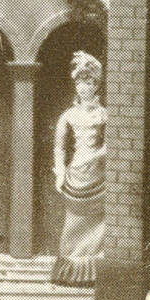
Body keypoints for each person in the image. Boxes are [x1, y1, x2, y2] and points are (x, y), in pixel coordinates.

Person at [51, 51, 106, 286]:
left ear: (97, 86)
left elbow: (110, 145)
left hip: (98, 174)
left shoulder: (105, 115)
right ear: (75, 85)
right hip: (76, 176)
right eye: (81, 82)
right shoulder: (69, 115)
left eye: (90, 82)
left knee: (98, 224)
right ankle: (70, 272)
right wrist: (60, 172)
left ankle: (92, 272)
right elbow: (59, 148)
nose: (85, 87)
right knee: (72, 223)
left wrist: (94, 156)